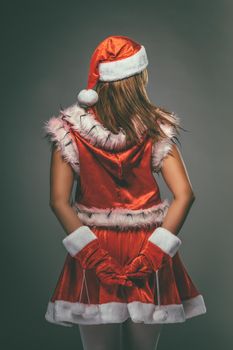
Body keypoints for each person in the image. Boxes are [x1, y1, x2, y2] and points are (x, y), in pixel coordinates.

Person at [42, 35, 207, 350]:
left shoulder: (68, 131)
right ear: (136, 79)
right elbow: (185, 194)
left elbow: (58, 201)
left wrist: (93, 256)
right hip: (146, 245)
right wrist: (155, 253)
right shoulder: (155, 126)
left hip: (93, 245)